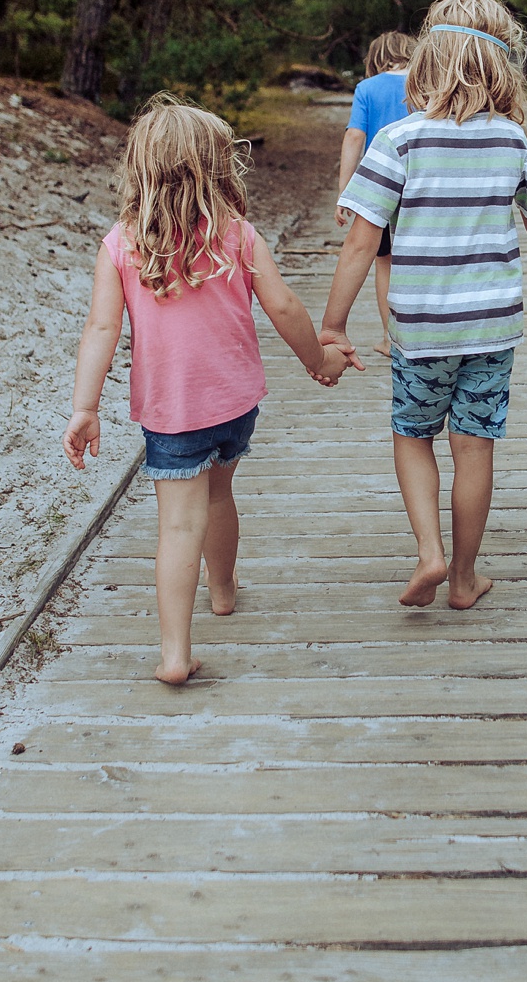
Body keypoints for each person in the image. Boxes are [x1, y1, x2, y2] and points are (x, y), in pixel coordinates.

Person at [64, 97, 351, 684]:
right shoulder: (237, 235)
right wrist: (317, 359)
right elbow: (284, 305)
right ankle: (222, 590)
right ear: (214, 168)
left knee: (177, 525)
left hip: (170, 412)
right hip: (232, 403)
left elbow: (101, 327)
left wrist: (85, 407)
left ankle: (175, 652)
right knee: (220, 493)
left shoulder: (121, 244)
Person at [319, 0, 527, 611]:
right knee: (474, 446)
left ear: (427, 63)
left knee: (413, 434)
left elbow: (361, 244)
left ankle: (429, 552)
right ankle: (464, 577)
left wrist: (333, 324)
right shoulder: (513, 141)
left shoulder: (400, 141)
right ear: (500, 69)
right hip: (492, 326)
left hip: (421, 327)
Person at [336, 29, 416, 357]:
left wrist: (345, 193)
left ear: (376, 57)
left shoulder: (367, 88)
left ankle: (391, 339)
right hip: (422, 183)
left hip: (382, 187)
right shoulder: (427, 83)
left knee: (384, 263)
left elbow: (355, 137)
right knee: (417, 261)